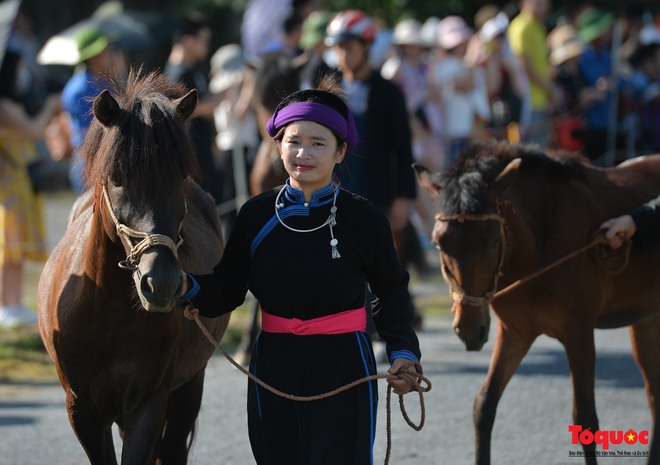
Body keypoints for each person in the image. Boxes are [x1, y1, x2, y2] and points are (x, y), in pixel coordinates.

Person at [179, 77, 422, 465]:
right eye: (293, 141)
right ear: (278, 145)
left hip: (346, 364)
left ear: (340, 152)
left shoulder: (365, 220)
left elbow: (391, 292)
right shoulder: (256, 215)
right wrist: (183, 286)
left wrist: (404, 353)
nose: (303, 153)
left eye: (318, 143)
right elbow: (227, 289)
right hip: (274, 364)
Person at [0, 48, 61, 328]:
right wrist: (50, 106)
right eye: (21, 68)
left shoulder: (12, 103)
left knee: (17, 245)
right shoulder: (3, 105)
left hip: (20, 180)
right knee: (8, 244)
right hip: (8, 182)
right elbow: (33, 129)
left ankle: (13, 303)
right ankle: (5, 305)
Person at [165, 14, 223, 203]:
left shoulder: (192, 69)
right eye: (204, 40)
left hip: (203, 149)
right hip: (191, 153)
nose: (207, 45)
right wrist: (223, 97)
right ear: (188, 41)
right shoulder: (176, 73)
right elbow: (190, 109)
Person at [61, 26, 123, 194]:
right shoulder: (79, 89)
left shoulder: (105, 82)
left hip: (107, 159)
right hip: (89, 162)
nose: (112, 54)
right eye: (107, 51)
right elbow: (91, 135)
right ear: (93, 56)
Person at [430, 15, 491, 165]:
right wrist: (472, 57)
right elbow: (466, 85)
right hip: (453, 134)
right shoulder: (443, 67)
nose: (462, 44)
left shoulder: (468, 65)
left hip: (473, 131)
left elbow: (489, 87)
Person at [507, 0, 560, 148]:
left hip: (540, 99)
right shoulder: (521, 27)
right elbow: (526, 68)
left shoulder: (538, 27)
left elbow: (541, 65)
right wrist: (551, 90)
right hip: (528, 102)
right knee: (528, 155)